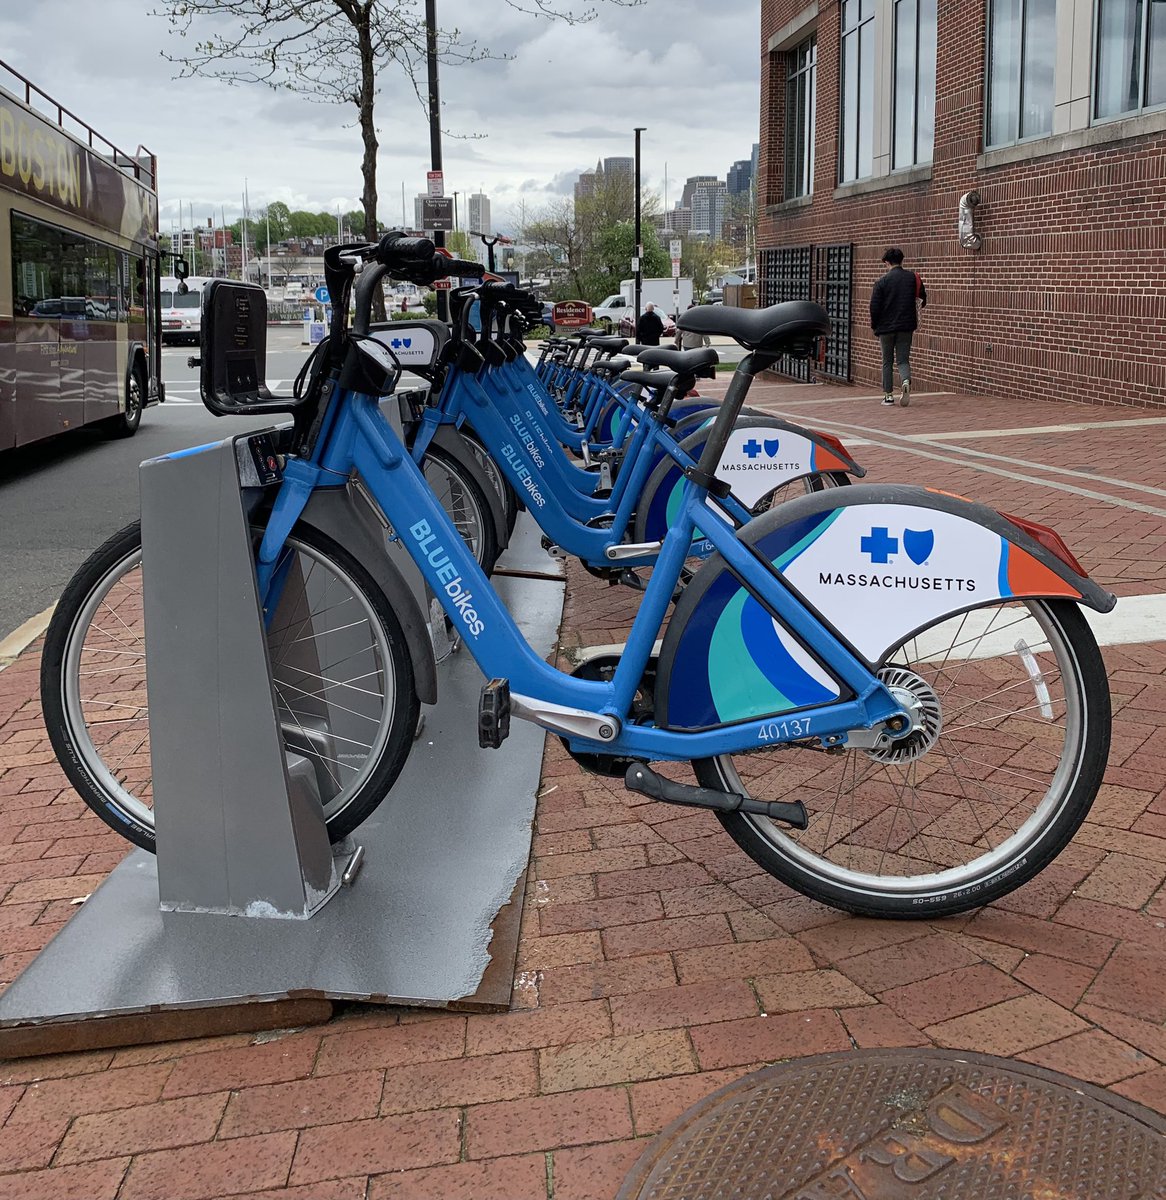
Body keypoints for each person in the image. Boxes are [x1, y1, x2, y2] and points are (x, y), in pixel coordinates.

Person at [870, 246, 927, 407]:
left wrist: (875, 326)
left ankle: (888, 396)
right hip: (906, 326)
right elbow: (923, 298)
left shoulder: (881, 282)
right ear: (902, 260)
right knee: (903, 360)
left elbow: (874, 307)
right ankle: (906, 381)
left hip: (885, 328)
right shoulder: (913, 278)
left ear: (887, 262)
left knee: (887, 361)